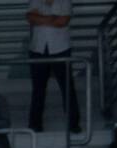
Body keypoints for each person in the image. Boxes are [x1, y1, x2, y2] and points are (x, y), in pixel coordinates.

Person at [27, 0, 80, 135]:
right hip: (38, 48)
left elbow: (63, 21)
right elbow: (30, 17)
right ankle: (35, 124)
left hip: (61, 48)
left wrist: (41, 19)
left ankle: (73, 124)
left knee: (67, 88)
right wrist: (52, 19)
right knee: (38, 89)